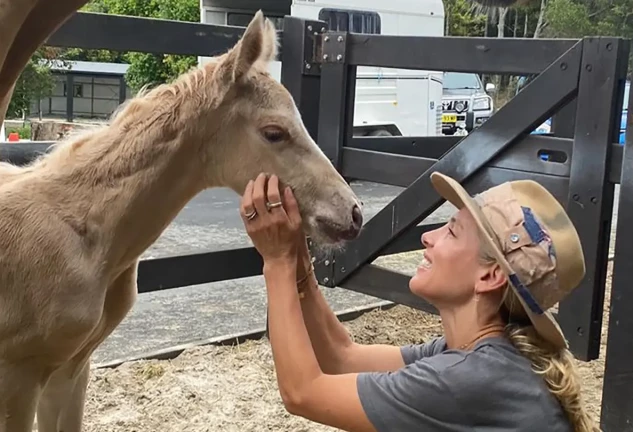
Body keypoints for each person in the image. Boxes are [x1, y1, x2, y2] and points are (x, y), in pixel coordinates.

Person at [239, 171, 599, 432]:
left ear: (490, 277)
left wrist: (277, 262)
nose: (428, 236)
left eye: (452, 231)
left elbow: (303, 394)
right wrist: (297, 252)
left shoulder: (469, 379)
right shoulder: (478, 355)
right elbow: (341, 358)